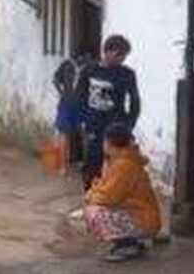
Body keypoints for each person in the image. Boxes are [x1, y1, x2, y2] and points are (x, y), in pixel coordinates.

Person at [83, 122, 162, 262]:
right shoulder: (121, 160)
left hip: (143, 219)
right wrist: (94, 192)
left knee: (94, 212)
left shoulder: (124, 165)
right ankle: (131, 241)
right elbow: (104, 186)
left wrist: (90, 195)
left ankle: (128, 244)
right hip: (141, 215)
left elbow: (109, 197)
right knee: (94, 205)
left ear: (109, 143)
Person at [75, 35, 140, 191]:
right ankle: (91, 201)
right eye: (120, 55)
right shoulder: (89, 70)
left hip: (117, 125)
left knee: (117, 166)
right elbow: (79, 97)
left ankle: (111, 202)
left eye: (124, 56)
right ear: (108, 52)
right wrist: (84, 121)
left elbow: (135, 100)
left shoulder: (127, 74)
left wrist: (129, 124)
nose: (122, 59)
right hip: (94, 125)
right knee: (92, 164)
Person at [52, 52, 90, 176]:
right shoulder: (90, 66)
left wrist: (62, 93)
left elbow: (55, 80)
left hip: (68, 103)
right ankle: (81, 165)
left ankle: (65, 167)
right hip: (79, 105)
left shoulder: (68, 64)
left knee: (66, 134)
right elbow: (56, 80)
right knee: (83, 134)